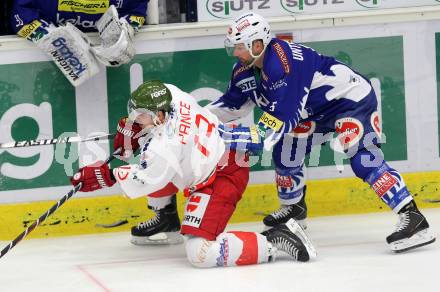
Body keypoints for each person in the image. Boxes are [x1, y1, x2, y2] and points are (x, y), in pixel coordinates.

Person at [205, 12, 435, 253]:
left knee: (363, 158)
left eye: (240, 47)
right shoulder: (243, 70)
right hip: (314, 111)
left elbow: (282, 118)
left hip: (349, 101)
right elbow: (232, 105)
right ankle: (295, 210)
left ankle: (413, 217)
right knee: (286, 150)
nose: (235, 53)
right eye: (234, 47)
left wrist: (234, 137)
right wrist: (198, 117)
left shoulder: (281, 62)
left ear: (258, 43)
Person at [70, 79, 316, 267]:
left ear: (160, 115)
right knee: (159, 171)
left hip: (222, 175)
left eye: (141, 115)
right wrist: (133, 129)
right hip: (216, 155)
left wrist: (107, 175)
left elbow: (146, 176)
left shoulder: (166, 146)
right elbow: (148, 136)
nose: (136, 118)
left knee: (200, 253)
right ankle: (167, 219)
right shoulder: (172, 96)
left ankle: (274, 240)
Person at [11, 0, 149, 86]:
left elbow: (137, 11)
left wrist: (125, 31)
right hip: (51, 73)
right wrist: (57, 42)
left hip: (113, 75)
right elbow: (21, 18)